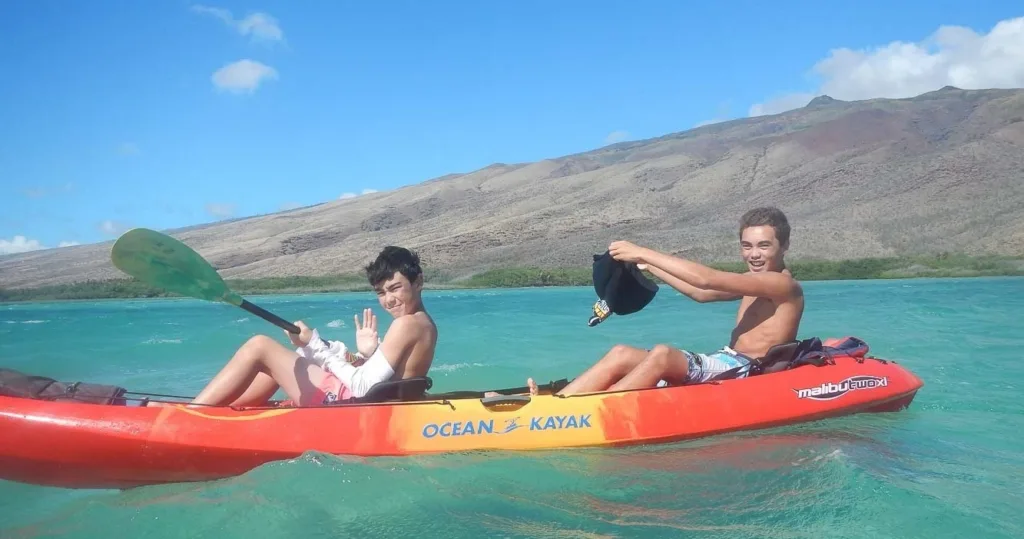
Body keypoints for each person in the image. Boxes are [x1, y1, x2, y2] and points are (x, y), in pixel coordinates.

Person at [525, 207, 804, 396]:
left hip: (746, 370)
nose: (754, 254)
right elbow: (701, 293)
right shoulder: (756, 281)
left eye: (764, 246)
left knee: (663, 354)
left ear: (784, 246)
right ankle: (558, 403)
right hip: (725, 360)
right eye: (747, 246)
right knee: (622, 352)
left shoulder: (781, 283)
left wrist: (643, 253)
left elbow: (706, 279)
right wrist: (650, 268)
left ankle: (586, 413)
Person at [157, 246, 437, 407]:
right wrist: (365, 354)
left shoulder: (406, 325)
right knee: (294, 359)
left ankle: (193, 414)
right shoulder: (424, 324)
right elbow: (387, 380)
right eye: (381, 292)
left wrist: (315, 344)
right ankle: (230, 410)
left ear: (418, 282)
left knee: (260, 346)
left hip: (349, 407)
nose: (388, 300)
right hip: (369, 401)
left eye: (395, 288)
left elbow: (363, 389)